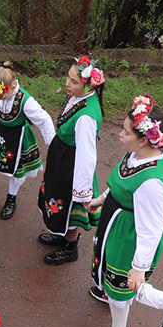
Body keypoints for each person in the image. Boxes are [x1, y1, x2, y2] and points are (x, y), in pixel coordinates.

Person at [86, 94, 163, 327]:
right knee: (107, 267)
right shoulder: (136, 153)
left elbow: (151, 230)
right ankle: (108, 291)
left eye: (126, 132)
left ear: (144, 139)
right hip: (116, 223)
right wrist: (102, 199)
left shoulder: (152, 182)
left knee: (122, 288)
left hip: (130, 236)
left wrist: (139, 268)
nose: (120, 134)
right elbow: (120, 185)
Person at [37, 56, 105, 265]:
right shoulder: (80, 97)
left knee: (69, 204)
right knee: (57, 198)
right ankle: (61, 234)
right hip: (63, 158)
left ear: (88, 85)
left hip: (71, 165)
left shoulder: (86, 117)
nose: (67, 83)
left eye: (73, 81)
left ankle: (70, 247)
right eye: (68, 77)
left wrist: (82, 190)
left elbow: (86, 155)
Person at [0, 63, 55, 220]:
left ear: (12, 87)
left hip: (18, 138)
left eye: (0, 95)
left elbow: (44, 119)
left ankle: (11, 199)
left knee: (16, 169)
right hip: (0, 133)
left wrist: (52, 143)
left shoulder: (25, 100)